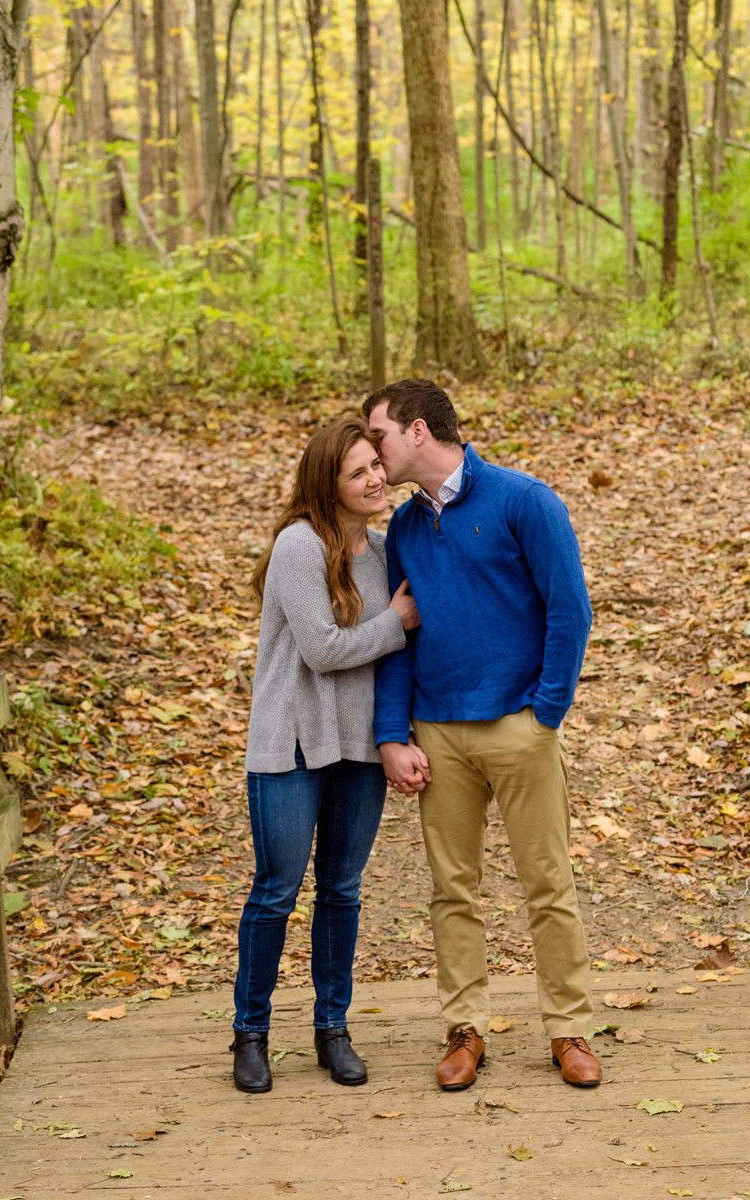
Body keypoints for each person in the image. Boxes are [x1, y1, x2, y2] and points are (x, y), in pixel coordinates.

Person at [364, 378, 600, 1092]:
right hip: (438, 734)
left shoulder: (524, 501)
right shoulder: (404, 529)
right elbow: (401, 639)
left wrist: (545, 717)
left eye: (377, 436)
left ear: (416, 431)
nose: (372, 457)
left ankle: (568, 1029)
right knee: (452, 889)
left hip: (519, 728)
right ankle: (464, 1029)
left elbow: (571, 611)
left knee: (547, 883)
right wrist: (390, 734)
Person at [229, 415, 420, 1094]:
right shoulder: (297, 546)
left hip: (360, 746)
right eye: (357, 472)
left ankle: (332, 1028)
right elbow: (323, 651)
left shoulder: (384, 550)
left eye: (376, 465)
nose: (374, 480)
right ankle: (250, 1035)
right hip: (291, 744)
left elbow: (396, 656)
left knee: (341, 890)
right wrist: (394, 624)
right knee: (276, 892)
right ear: (328, 484)